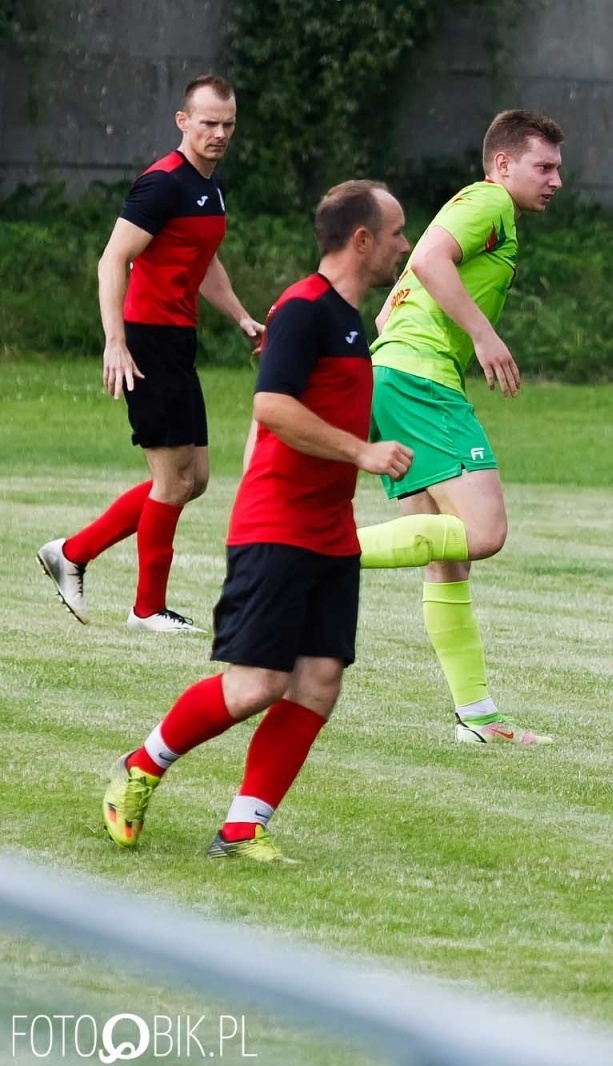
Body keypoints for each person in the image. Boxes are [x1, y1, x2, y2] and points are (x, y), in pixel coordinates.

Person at [101, 180, 413, 862]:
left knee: (321, 677)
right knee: (258, 683)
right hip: (279, 527)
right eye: (395, 232)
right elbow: (272, 406)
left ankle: (244, 825)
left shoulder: (351, 320)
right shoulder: (303, 310)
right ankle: (143, 764)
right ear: (361, 240)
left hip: (330, 528)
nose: (404, 244)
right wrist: (362, 452)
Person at [353, 109, 565, 748]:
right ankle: (314, 550)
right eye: (544, 166)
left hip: (396, 372)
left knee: (447, 562)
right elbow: (428, 261)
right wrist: (483, 335)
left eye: (559, 168)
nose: (556, 180)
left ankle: (476, 718)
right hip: (422, 380)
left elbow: (401, 294)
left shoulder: (485, 205)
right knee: (484, 532)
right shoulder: (490, 201)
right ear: (503, 164)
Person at [37, 74, 264, 632]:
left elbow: (202, 259)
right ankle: (146, 609)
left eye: (227, 124)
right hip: (145, 338)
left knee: (195, 478)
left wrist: (239, 315)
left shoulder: (208, 186)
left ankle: (72, 552)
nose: (219, 134)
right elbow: (112, 260)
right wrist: (115, 342)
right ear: (183, 122)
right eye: (208, 123)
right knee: (172, 480)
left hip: (177, 339)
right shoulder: (162, 183)